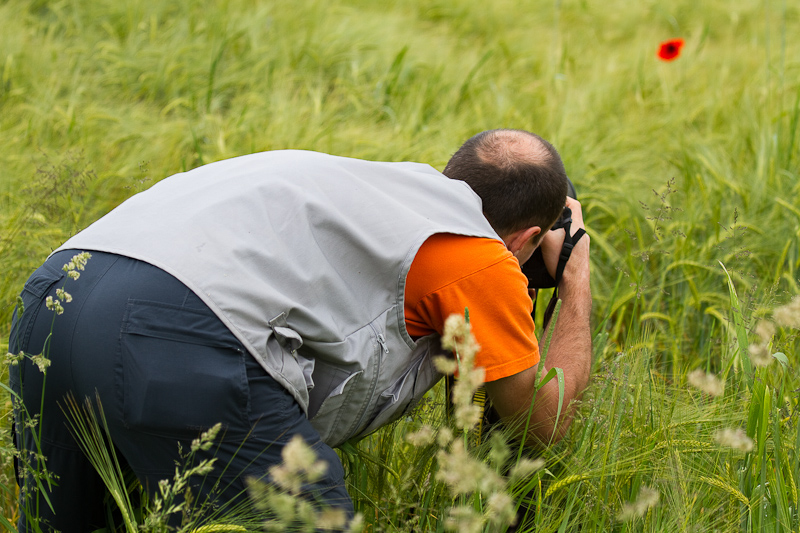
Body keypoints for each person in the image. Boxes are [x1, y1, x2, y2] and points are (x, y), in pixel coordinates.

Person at [8, 128, 592, 531]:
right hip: (175, 331)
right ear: (524, 237)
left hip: (54, 300)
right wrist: (574, 281)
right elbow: (540, 426)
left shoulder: (380, 192)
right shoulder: (479, 252)